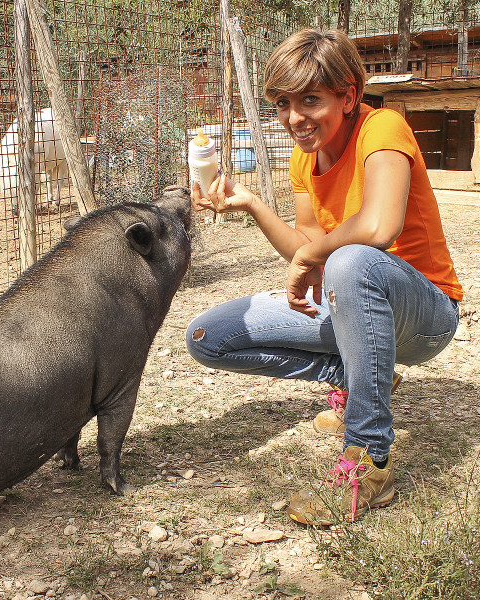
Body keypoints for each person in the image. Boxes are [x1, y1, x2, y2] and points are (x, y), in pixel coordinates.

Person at [185, 28, 463, 526]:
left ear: (349, 95)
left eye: (310, 100)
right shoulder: (303, 157)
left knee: (350, 261)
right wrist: (249, 203)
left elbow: (378, 226)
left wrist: (314, 254)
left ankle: (369, 461)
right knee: (207, 337)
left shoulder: (384, 128)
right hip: (352, 303)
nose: (294, 118)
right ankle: (360, 379)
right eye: (283, 104)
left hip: (426, 317)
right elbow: (305, 252)